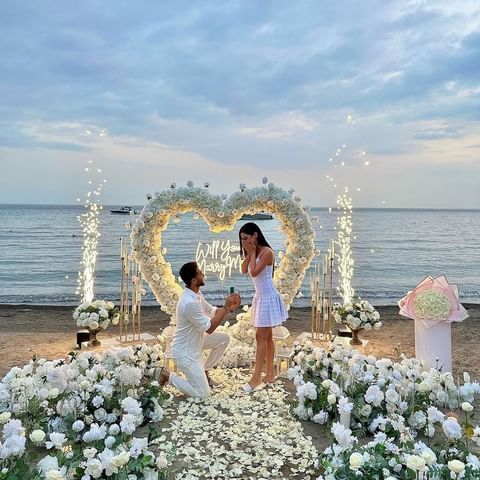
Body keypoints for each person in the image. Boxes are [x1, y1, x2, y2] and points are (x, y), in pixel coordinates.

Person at [157, 261, 241, 398]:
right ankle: (168, 376)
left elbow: (212, 311)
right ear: (194, 280)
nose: (203, 273)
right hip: (185, 353)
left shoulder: (196, 294)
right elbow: (209, 328)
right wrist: (225, 308)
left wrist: (230, 308)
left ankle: (205, 371)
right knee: (203, 394)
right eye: (200, 272)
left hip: (197, 342)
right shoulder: (189, 303)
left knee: (224, 339)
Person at [239, 222, 287, 392]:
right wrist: (249, 253)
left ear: (255, 235)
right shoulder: (253, 252)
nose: (244, 241)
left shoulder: (267, 252)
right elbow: (244, 269)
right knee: (267, 338)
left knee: (261, 337)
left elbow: (254, 272)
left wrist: (252, 253)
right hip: (260, 298)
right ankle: (270, 375)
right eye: (242, 239)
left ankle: (256, 378)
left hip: (268, 298)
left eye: (246, 238)